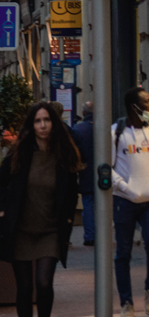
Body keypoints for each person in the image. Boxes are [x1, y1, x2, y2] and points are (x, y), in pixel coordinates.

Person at [0, 102, 82, 317]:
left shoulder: (63, 154)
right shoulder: (20, 153)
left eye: (47, 120)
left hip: (50, 230)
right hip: (21, 230)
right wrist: (1, 211)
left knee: (44, 283)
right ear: (31, 125)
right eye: (38, 121)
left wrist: (67, 219)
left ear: (54, 123)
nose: (42, 125)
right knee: (25, 289)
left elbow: (72, 188)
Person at [111, 86, 149, 317]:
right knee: (123, 252)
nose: (148, 107)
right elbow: (107, 167)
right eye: (145, 103)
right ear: (133, 106)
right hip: (124, 201)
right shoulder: (116, 132)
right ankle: (126, 303)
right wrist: (125, 188)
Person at [70, 102, 95, 247]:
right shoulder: (104, 128)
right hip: (104, 173)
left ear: (83, 113)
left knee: (88, 205)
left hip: (85, 172)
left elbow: (76, 153)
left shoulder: (78, 129)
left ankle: (90, 236)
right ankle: (101, 234)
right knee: (102, 206)